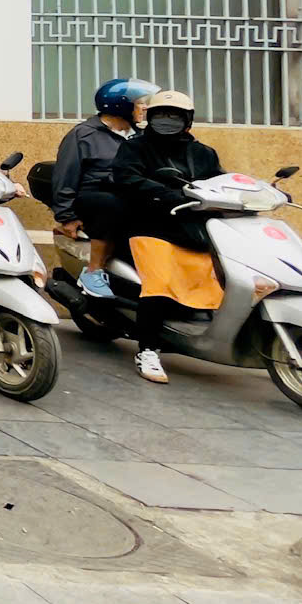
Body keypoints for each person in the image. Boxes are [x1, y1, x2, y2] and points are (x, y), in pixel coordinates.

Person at [111, 89, 226, 385]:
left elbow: (220, 181)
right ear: (150, 117)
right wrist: (166, 194)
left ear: (188, 119)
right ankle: (147, 350)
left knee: (218, 278)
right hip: (150, 225)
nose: (167, 120)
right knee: (159, 283)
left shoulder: (204, 152)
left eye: (174, 115)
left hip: (194, 229)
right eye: (161, 114)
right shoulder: (135, 147)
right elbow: (126, 177)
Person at [51, 78, 157, 301]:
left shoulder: (140, 136)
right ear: (121, 105)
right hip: (93, 198)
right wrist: (66, 216)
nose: (145, 108)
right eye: (139, 103)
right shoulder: (83, 134)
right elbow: (65, 175)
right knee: (111, 203)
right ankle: (93, 272)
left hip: (128, 197)